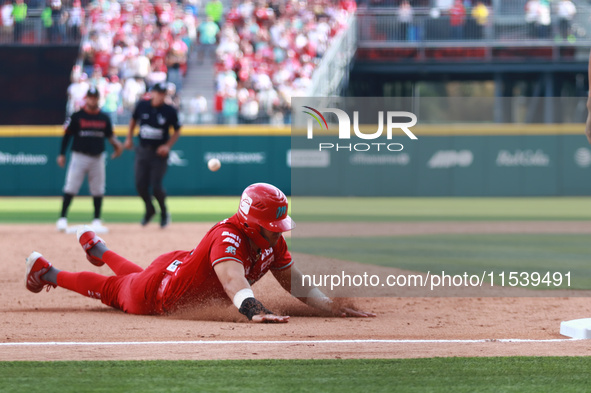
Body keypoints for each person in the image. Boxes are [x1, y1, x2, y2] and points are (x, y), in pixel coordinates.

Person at [25, 183, 376, 322]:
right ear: (253, 224)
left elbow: (292, 282)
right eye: (273, 226)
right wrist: (254, 310)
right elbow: (231, 280)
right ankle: (46, 270)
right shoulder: (229, 239)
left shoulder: (270, 239)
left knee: (131, 275)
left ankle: (97, 247)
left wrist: (330, 306)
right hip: (155, 295)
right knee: (110, 290)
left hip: (176, 265)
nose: (279, 232)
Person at [56, 86, 123, 232]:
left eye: (95, 97)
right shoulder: (77, 116)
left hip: (97, 157)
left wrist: (117, 146)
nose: (92, 100)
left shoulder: (104, 117)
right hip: (79, 156)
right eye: (90, 97)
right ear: (86, 98)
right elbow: (67, 135)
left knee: (98, 189)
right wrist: (62, 154)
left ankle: (97, 219)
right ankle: (62, 218)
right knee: (70, 187)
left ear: (98, 99)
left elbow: (110, 136)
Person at [124, 81, 181, 228]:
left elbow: (177, 130)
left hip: (159, 154)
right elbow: (133, 120)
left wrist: (167, 146)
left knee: (156, 186)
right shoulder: (142, 105)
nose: (161, 96)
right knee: (140, 185)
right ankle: (150, 209)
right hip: (143, 150)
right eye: (158, 93)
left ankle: (163, 212)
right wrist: (129, 138)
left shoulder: (169, 110)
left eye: (163, 94)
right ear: (152, 93)